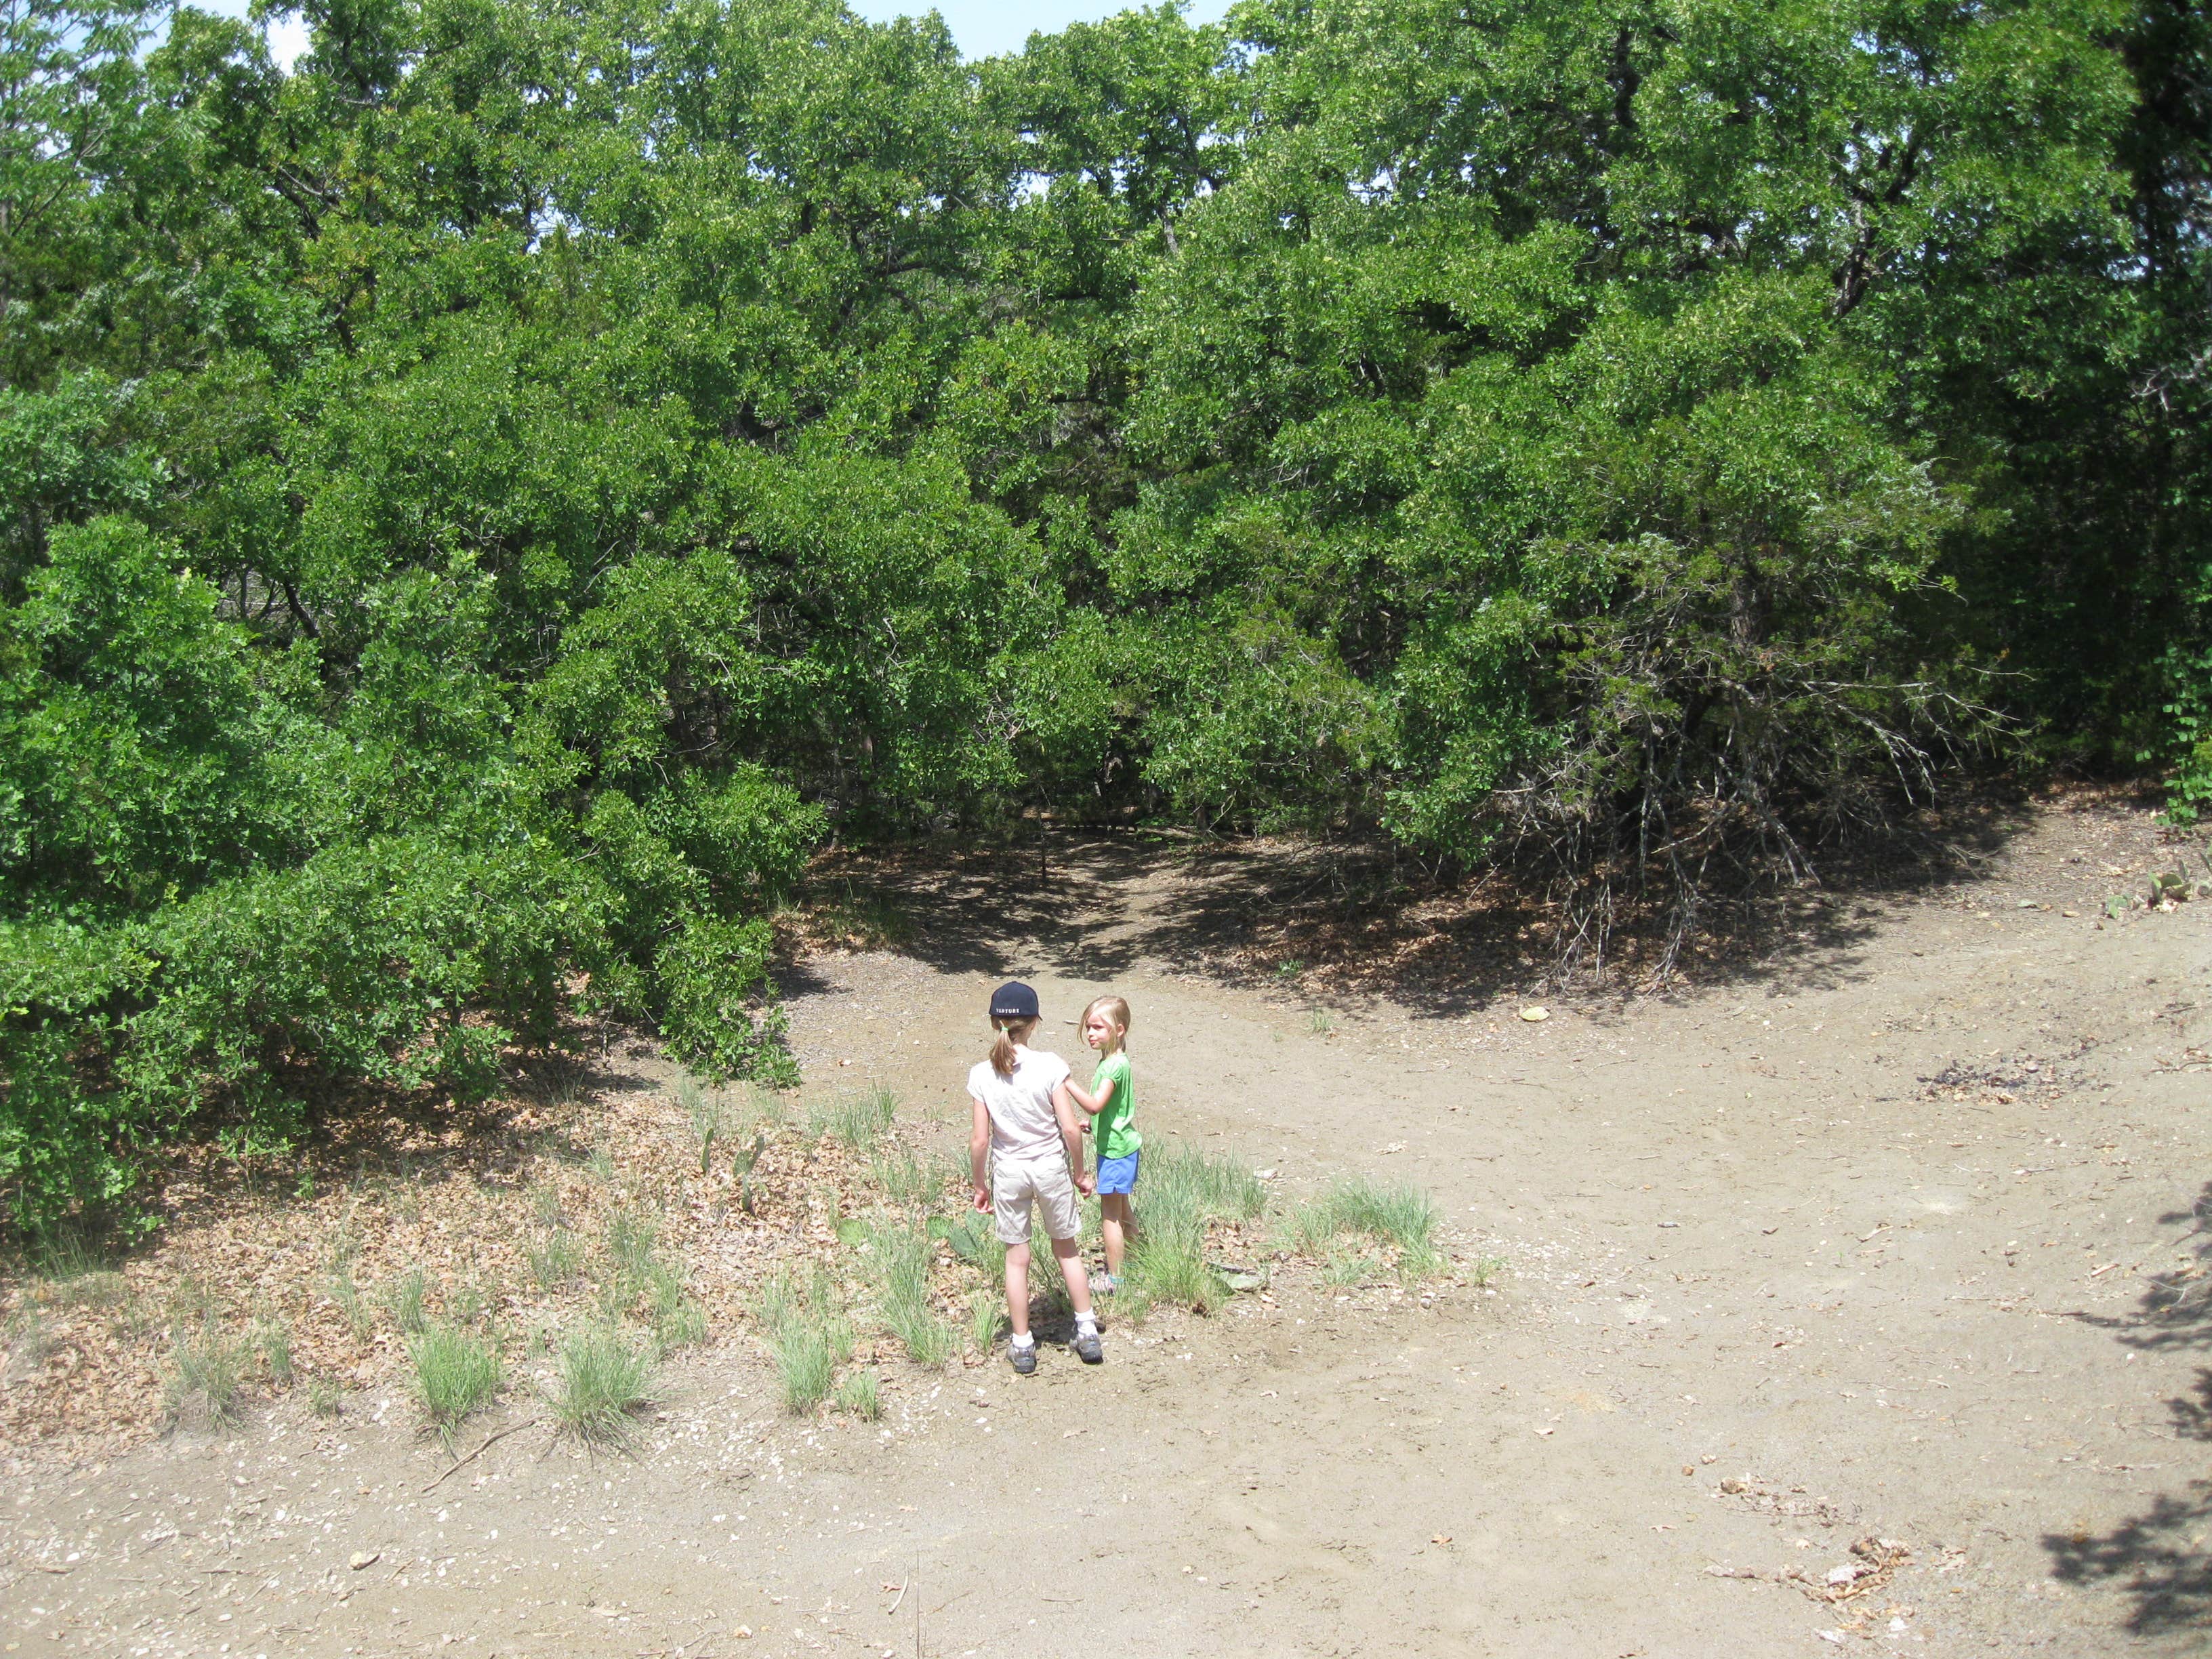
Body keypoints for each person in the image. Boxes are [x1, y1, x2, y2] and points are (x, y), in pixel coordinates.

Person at [967, 981, 1103, 1372]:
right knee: (1067, 1248)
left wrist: (979, 1185)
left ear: (995, 1023)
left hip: (1009, 1171)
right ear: (1035, 1021)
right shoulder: (1050, 1065)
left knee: (1017, 1259)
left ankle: (1023, 1344)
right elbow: (1071, 1129)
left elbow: (980, 1140)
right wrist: (1079, 1171)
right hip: (1049, 1168)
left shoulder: (982, 1073)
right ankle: (1087, 1330)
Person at [1065, 994, 1139, 1294]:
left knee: (1110, 1216)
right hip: (1123, 1146)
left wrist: (1066, 1082)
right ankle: (1135, 1260)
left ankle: (1115, 1279)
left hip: (1116, 1153)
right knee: (1123, 1209)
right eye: (1088, 1028)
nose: (1091, 1034)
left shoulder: (1112, 1068)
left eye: (1098, 1028)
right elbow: (1109, 1111)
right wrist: (1093, 1126)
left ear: (1118, 1030)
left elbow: (1095, 1104)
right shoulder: (1115, 1061)